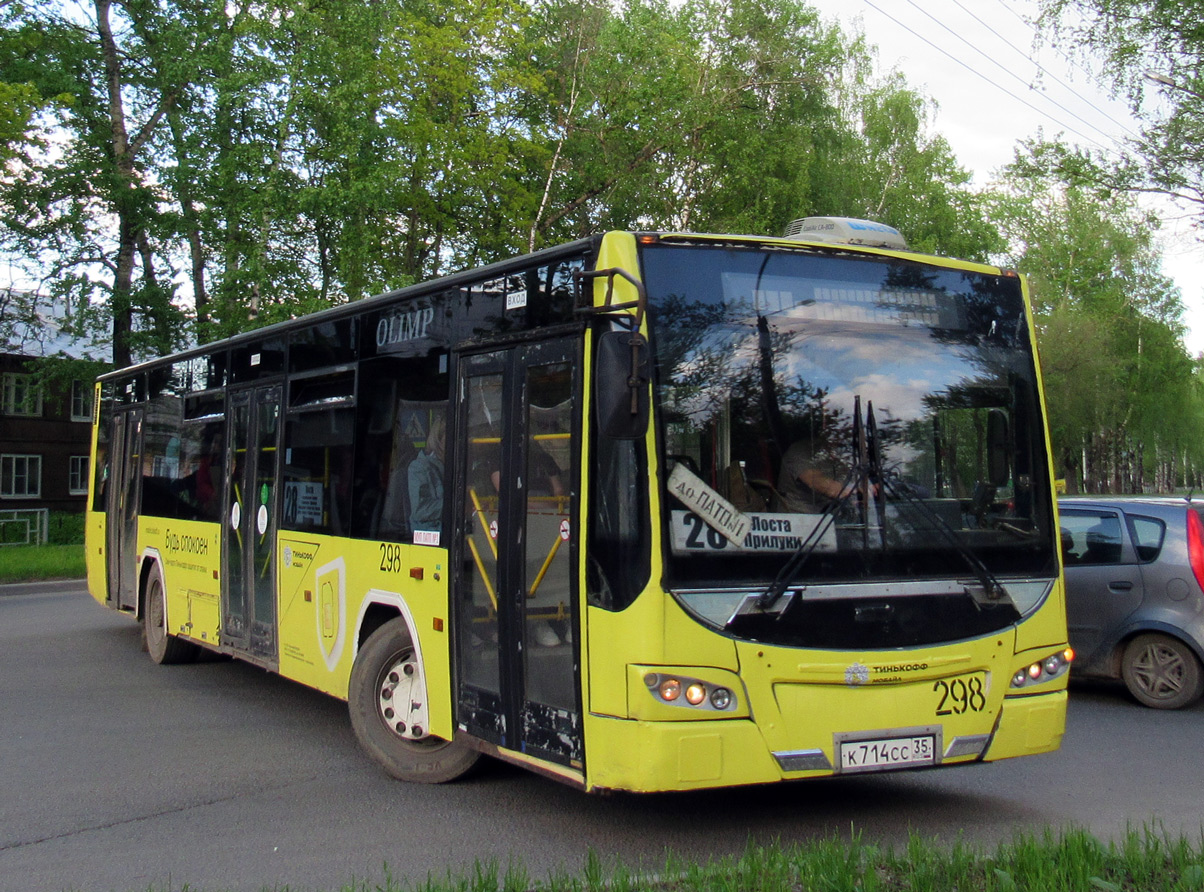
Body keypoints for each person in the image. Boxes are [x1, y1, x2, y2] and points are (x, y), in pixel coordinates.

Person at [408, 415, 446, 533]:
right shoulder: (419, 467)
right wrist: (457, 503)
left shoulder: (451, 466)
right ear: (438, 440)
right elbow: (420, 510)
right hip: (429, 533)